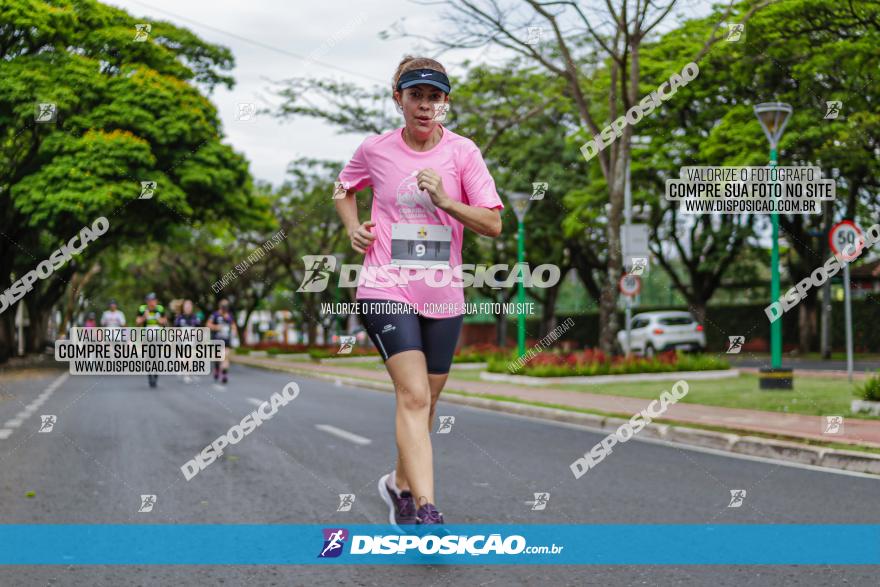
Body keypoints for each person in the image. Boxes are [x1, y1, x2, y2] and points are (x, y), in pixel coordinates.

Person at [333, 55, 503, 526]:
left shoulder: (464, 153)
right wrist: (354, 228)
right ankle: (428, 507)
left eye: (435, 97)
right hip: (385, 284)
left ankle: (399, 484)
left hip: (442, 291)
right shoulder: (375, 149)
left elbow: (492, 222)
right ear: (398, 100)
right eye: (416, 96)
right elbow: (342, 188)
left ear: (445, 103)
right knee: (412, 396)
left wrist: (448, 201)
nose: (426, 107)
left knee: (427, 398)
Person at [136, 292, 167, 388]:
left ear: (156, 301)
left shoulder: (160, 309)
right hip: (147, 336)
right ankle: (150, 376)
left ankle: (156, 375)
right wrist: (144, 317)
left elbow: (165, 322)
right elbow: (137, 322)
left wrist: (158, 319)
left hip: (157, 336)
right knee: (149, 357)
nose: (151, 303)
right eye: (149, 301)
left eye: (153, 300)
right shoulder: (142, 309)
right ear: (147, 301)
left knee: (156, 357)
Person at [206, 299, 238, 384]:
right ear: (220, 306)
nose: (224, 308)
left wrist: (234, 333)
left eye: (226, 306)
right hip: (217, 340)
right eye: (223, 306)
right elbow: (208, 325)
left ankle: (224, 375)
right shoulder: (215, 315)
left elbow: (234, 326)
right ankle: (216, 369)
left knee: (225, 356)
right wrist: (216, 327)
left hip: (226, 340)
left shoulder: (229, 316)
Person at [174, 300, 201, 383]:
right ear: (183, 307)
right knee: (182, 358)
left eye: (189, 306)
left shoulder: (195, 317)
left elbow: (199, 330)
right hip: (181, 341)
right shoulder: (179, 318)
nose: (188, 308)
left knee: (189, 358)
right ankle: (184, 371)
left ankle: (187, 374)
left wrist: (194, 333)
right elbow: (175, 330)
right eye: (186, 306)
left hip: (191, 341)